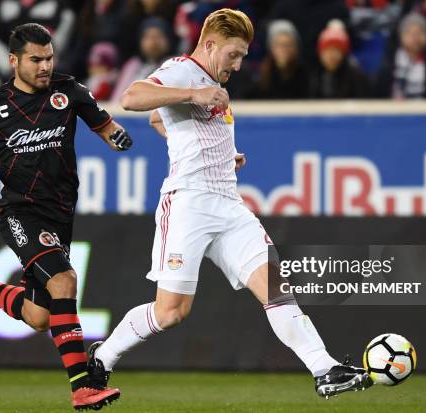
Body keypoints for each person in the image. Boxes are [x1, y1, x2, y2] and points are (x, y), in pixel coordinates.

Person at [86, 8, 372, 400]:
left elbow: (160, 119)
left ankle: (324, 369)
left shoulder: (213, 83)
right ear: (209, 45)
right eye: (233, 55)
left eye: (242, 56)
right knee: (171, 312)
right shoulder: (183, 71)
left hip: (229, 204)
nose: (238, 65)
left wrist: (221, 154)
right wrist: (192, 95)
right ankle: (101, 358)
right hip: (188, 203)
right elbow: (132, 97)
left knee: (276, 289)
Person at [0, 23, 132, 411]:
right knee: (64, 280)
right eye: (35, 59)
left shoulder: (70, 92)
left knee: (40, 316)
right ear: (14, 61)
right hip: (20, 212)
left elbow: (106, 126)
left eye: (49, 58)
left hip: (60, 216)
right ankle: (82, 386)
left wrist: (117, 137)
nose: (44, 66)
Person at [375, 12, 426, 99]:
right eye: (410, 33)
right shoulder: (389, 62)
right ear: (401, 36)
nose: (416, 37)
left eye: (420, 32)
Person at [309, 20, 370, 99]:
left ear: (344, 53)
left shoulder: (356, 76)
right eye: (327, 50)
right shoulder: (314, 74)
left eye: (336, 50)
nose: (331, 55)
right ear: (320, 54)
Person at [252, 19, 309, 99]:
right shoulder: (262, 76)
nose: (283, 49)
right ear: (271, 48)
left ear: (295, 48)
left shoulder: (306, 75)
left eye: (287, 45)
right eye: (278, 45)